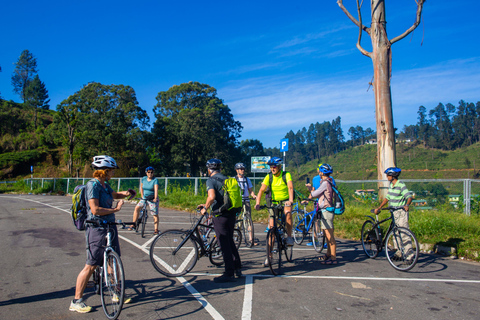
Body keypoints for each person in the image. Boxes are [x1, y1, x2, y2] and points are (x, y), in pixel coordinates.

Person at [70, 155, 133, 313]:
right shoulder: (93, 185)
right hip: (96, 227)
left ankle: (114, 292)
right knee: (91, 265)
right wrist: (115, 210)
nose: (113, 173)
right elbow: (95, 209)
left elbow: (113, 195)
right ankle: (76, 300)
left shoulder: (105, 185)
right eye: (111, 171)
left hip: (109, 226)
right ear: (104, 171)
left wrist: (125, 193)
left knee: (112, 259)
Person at [198, 159, 242, 283]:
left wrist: (205, 208)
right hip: (231, 214)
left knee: (223, 243)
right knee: (230, 241)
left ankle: (229, 273)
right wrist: (206, 204)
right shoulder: (227, 179)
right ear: (219, 168)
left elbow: (211, 196)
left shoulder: (211, 180)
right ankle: (237, 268)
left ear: (209, 169)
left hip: (220, 216)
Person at [255, 157, 295, 266]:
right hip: (274, 202)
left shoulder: (286, 175)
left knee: (287, 213)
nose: (272, 168)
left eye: (274, 166)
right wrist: (257, 203)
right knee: (272, 228)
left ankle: (289, 236)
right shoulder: (269, 177)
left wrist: (290, 201)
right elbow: (261, 190)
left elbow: (290, 187)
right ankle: (269, 257)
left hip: (285, 201)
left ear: (279, 167)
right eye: (271, 167)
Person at [373, 167, 414, 260]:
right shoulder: (391, 185)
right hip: (393, 212)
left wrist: (407, 205)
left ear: (393, 176)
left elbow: (409, 197)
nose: (387, 177)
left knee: (403, 233)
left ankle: (409, 255)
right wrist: (380, 207)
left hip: (401, 212)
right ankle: (399, 252)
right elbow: (387, 198)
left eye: (388, 175)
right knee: (396, 233)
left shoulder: (400, 185)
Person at [305, 163, 337, 264]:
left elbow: (315, 193)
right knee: (327, 235)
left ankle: (333, 259)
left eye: (320, 171)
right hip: (327, 210)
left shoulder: (325, 183)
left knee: (329, 235)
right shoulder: (330, 181)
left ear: (322, 173)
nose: (319, 172)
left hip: (327, 211)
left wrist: (310, 190)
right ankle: (328, 254)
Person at [129, 166, 160, 235]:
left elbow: (156, 189)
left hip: (152, 198)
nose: (150, 174)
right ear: (146, 173)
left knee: (154, 213)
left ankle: (156, 229)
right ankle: (134, 224)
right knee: (137, 208)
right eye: (149, 172)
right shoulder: (143, 179)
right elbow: (142, 187)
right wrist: (142, 196)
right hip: (145, 197)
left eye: (152, 172)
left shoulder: (155, 180)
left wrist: (155, 198)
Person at [234, 163, 257, 243]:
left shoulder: (247, 179)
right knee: (235, 219)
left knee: (248, 219)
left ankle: (251, 240)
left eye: (243, 169)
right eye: (241, 169)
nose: (243, 170)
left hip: (246, 200)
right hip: (237, 202)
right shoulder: (233, 179)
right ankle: (234, 233)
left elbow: (251, 191)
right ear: (237, 170)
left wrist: (254, 195)